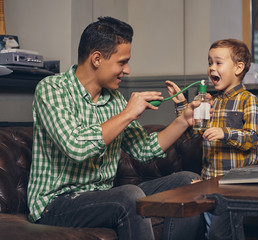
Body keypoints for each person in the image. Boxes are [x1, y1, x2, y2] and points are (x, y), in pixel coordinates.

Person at [27, 16, 206, 240]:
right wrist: (128, 113)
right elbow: (76, 147)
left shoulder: (114, 99)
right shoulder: (52, 90)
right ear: (97, 59)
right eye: (122, 62)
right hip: (55, 205)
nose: (128, 70)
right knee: (129, 196)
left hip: (102, 197)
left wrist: (183, 120)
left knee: (188, 182)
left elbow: (144, 150)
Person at [166, 38, 258, 240]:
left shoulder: (249, 100)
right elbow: (193, 133)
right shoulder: (209, 102)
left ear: (238, 67)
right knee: (206, 232)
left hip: (235, 186)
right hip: (209, 182)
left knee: (219, 233)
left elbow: (253, 138)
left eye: (218, 63)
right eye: (210, 62)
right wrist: (182, 106)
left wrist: (225, 132)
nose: (212, 68)